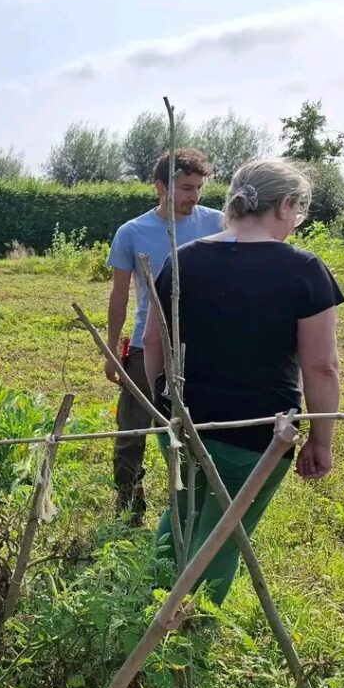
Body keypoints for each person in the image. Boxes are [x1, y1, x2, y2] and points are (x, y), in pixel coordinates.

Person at [143, 158, 343, 605]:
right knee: (224, 533)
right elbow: (321, 366)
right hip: (258, 433)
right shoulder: (304, 270)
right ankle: (191, 621)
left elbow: (154, 342)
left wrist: (163, 402)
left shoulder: (183, 258)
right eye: (298, 211)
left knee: (183, 513)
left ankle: (149, 603)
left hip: (184, 421)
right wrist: (321, 440)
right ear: (285, 205)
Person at [104, 148, 222, 525]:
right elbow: (119, 296)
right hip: (146, 345)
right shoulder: (132, 232)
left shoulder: (219, 224)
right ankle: (128, 506)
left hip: (202, 348)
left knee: (195, 430)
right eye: (186, 187)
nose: (194, 196)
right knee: (132, 429)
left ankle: (193, 506)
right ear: (160, 187)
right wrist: (112, 350)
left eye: (199, 187)